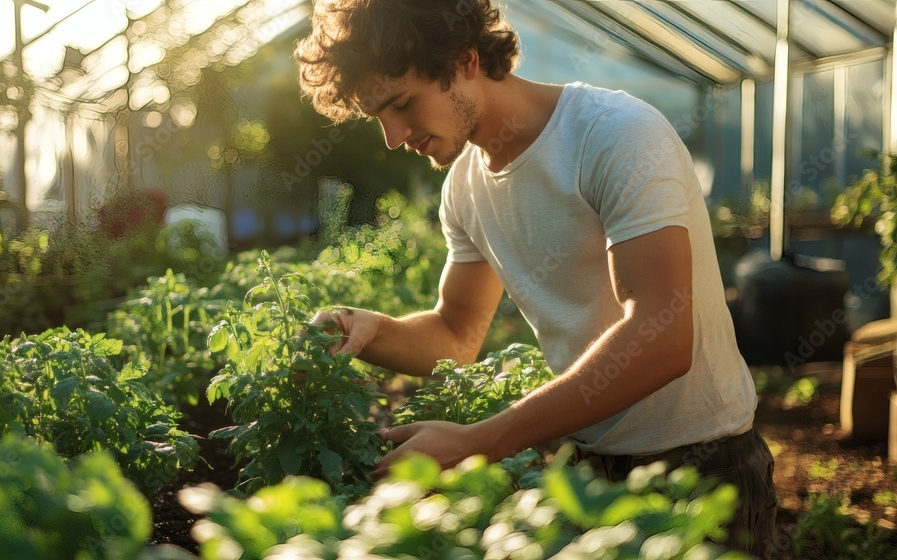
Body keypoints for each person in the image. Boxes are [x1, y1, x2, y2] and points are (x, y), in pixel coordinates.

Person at [295, 0, 777, 556]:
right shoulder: (465, 189)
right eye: (378, 116)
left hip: (702, 465)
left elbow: (662, 338)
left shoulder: (615, 135)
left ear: (465, 61)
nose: (393, 136)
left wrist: (481, 441)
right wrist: (367, 330)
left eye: (402, 104)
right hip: (581, 473)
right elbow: (457, 335)